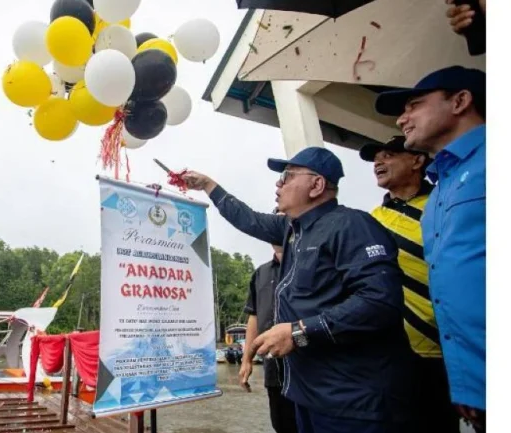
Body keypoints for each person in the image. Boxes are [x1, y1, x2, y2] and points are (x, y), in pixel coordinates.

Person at [182, 147, 414, 433]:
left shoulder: (352, 225)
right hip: (307, 396)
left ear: (316, 185)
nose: (278, 184)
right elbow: (247, 218)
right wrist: (208, 185)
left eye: (287, 176)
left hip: (353, 402)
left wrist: (299, 331)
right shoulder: (292, 229)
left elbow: (381, 301)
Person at [375, 65, 486, 432]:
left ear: (460, 101)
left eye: (415, 105)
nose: (403, 119)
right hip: (462, 376)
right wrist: (469, 380)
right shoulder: (442, 190)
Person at [359, 136, 460, 433]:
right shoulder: (371, 221)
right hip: (387, 356)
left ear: (417, 161)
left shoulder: (447, 205)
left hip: (443, 354)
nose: (378, 162)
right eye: (376, 158)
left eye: (388, 155)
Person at [238, 212, 297, 433]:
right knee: (282, 425)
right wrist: (246, 360)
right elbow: (253, 316)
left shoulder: (311, 262)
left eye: (281, 221)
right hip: (274, 369)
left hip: (310, 367)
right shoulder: (261, 273)